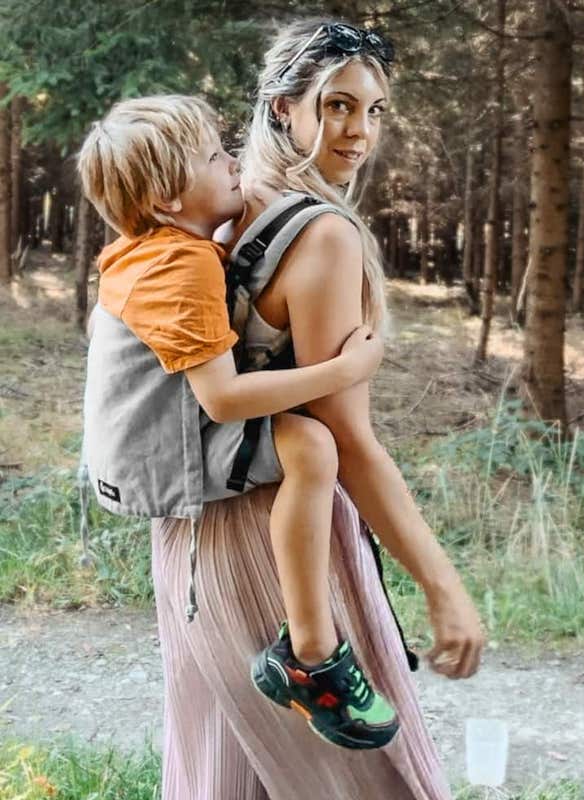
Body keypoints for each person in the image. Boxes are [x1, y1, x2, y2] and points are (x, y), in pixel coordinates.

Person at [152, 19, 486, 800]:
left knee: (224, 778)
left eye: (374, 111)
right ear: (283, 108)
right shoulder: (323, 236)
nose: (360, 131)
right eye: (337, 106)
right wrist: (443, 587)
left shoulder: (211, 213)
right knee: (364, 782)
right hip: (281, 539)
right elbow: (351, 443)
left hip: (188, 536)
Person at [77, 94, 399, 750]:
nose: (232, 163)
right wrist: (344, 370)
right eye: (212, 157)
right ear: (168, 199)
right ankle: (310, 657)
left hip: (138, 444)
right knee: (311, 446)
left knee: (304, 443)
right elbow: (223, 400)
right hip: (161, 456)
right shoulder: (182, 265)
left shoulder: (152, 249)